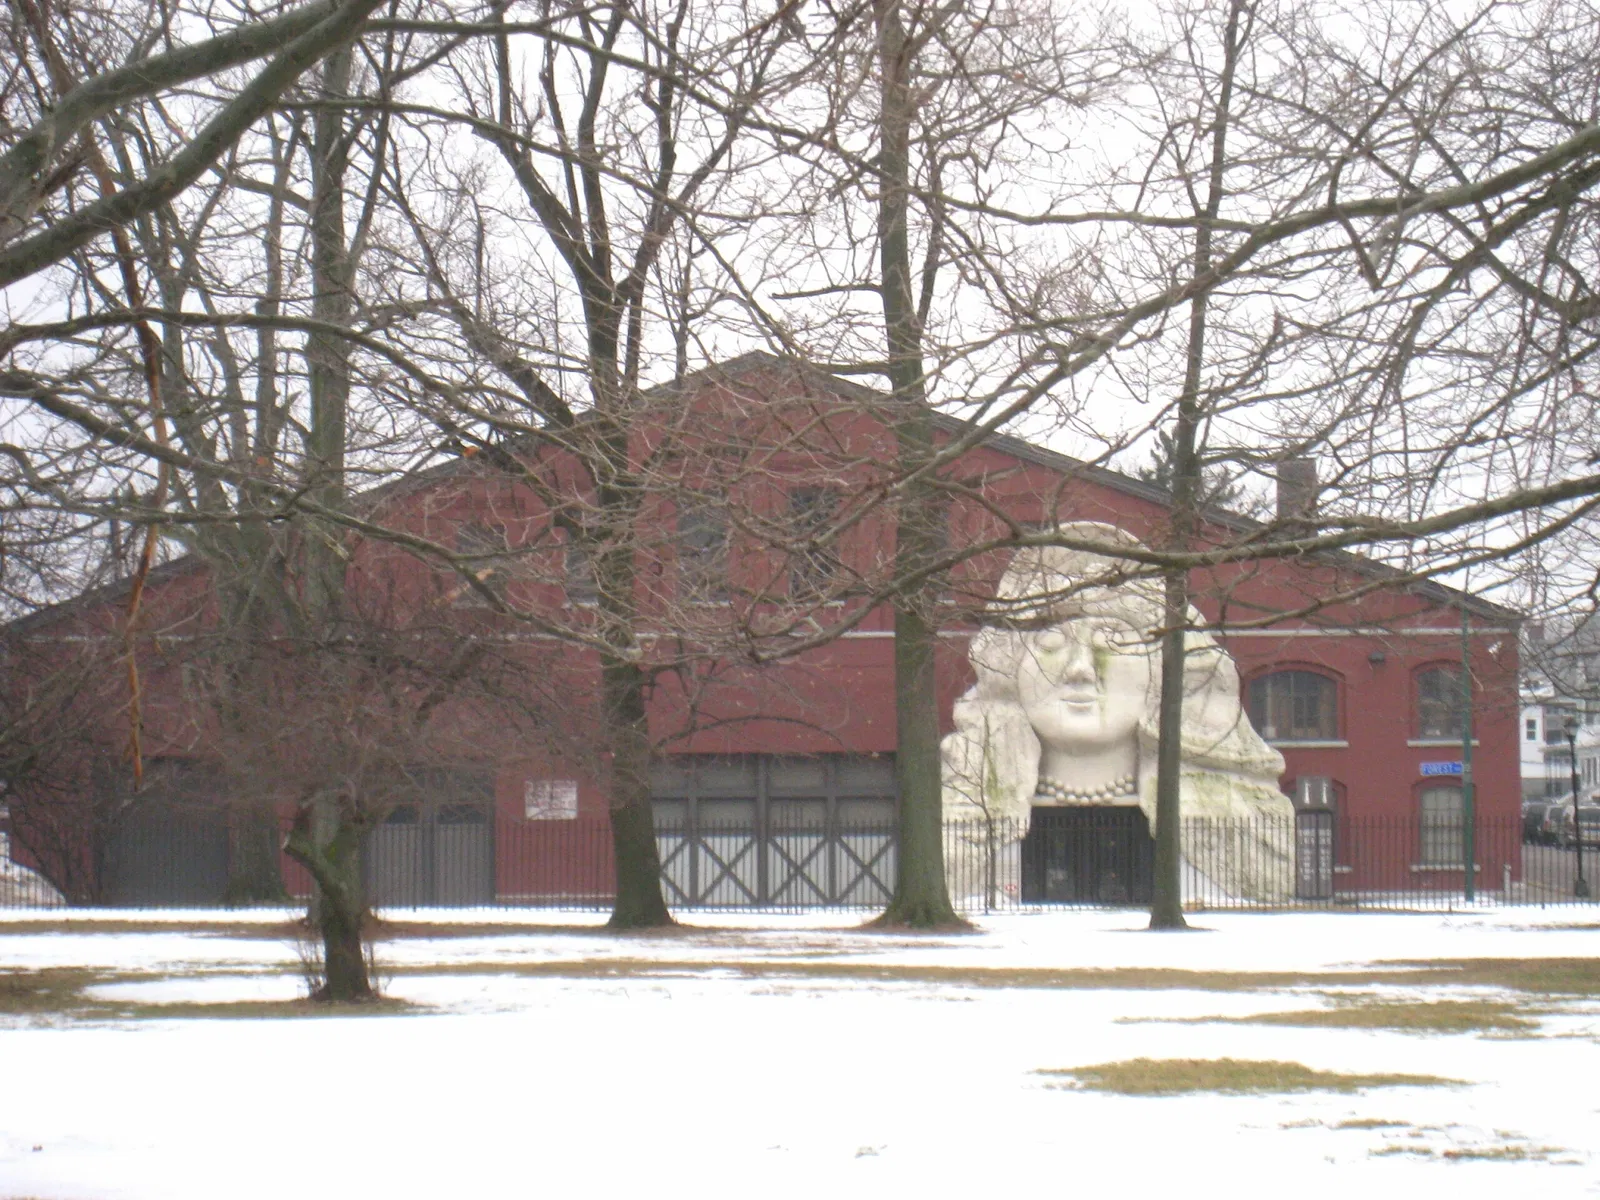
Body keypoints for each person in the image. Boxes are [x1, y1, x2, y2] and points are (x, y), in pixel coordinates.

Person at [941, 522, 1295, 901]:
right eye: (1051, 642)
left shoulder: (1239, 809)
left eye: (1112, 641)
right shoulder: (962, 793)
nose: (1081, 670)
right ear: (1009, 669)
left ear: (1161, 670)